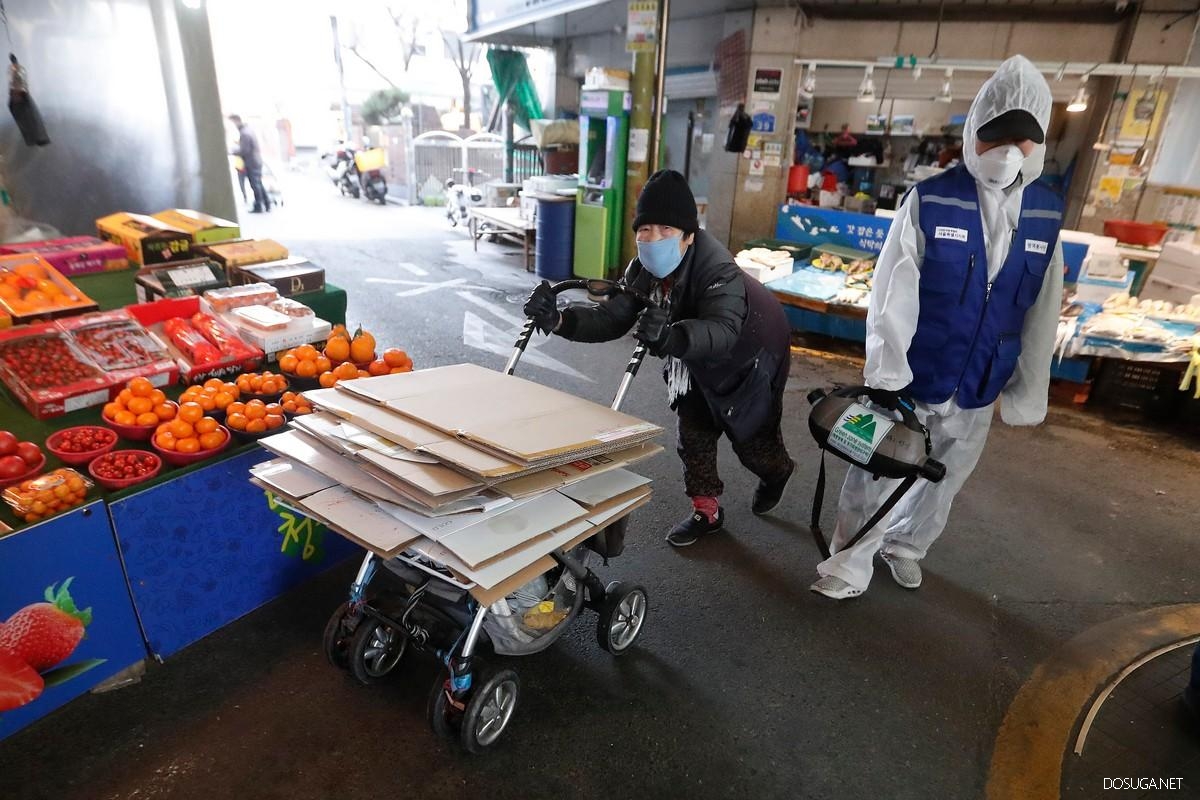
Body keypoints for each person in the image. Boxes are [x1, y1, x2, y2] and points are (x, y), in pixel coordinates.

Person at [811, 55, 1065, 600]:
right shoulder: (930, 199)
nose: (1005, 153)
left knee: (945, 477)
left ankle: (907, 546)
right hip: (915, 371)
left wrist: (1028, 386)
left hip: (979, 380)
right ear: (973, 133)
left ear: (1038, 146)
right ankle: (849, 562)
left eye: (1021, 142)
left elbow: (1043, 308)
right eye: (994, 137)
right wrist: (886, 374)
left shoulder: (1046, 214)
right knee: (875, 464)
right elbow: (891, 293)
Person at [522, 169, 794, 547]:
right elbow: (610, 319)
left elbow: (723, 331)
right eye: (644, 230)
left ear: (688, 235)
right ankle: (706, 511)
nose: (653, 239)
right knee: (693, 434)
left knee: (754, 445)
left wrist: (670, 336)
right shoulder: (643, 269)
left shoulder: (718, 271)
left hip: (750, 358)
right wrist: (559, 318)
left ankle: (777, 473)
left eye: (665, 229)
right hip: (689, 356)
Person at [229, 115, 271, 213]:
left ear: (236, 121)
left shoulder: (245, 133)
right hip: (255, 161)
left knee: (255, 185)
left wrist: (232, 151)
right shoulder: (248, 130)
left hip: (251, 162)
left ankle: (259, 206)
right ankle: (267, 203)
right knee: (258, 184)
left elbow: (245, 150)